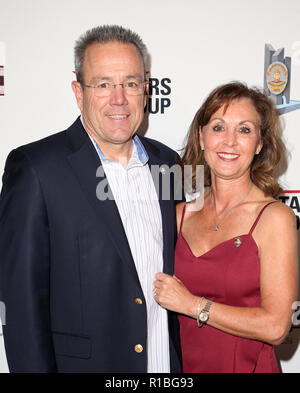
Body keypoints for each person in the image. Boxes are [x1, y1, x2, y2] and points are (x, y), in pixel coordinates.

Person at [0, 25, 182, 373]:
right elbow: (21, 308)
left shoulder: (167, 164)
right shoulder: (37, 169)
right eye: (103, 84)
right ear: (78, 92)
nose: (119, 99)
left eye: (130, 83)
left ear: (146, 89)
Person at [154, 82, 298, 373]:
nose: (230, 141)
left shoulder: (275, 218)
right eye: (218, 127)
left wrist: (193, 305)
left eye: (244, 130)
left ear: (259, 144)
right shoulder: (177, 216)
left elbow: (276, 327)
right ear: (202, 137)